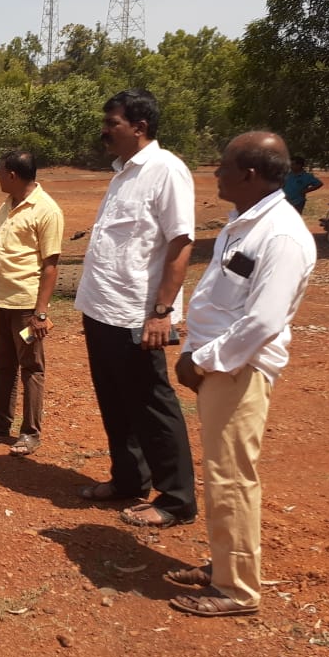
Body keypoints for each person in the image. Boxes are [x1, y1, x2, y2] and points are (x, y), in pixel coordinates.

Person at [167, 132, 315, 617]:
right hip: (220, 366)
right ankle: (225, 566)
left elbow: (263, 322)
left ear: (249, 175)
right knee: (221, 472)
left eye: (224, 166)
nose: (216, 173)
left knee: (231, 477)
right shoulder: (244, 223)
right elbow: (222, 299)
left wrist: (201, 359)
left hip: (239, 368)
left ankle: (237, 590)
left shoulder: (282, 236)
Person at [74, 88, 198, 528]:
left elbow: (181, 243)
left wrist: (162, 312)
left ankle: (177, 499)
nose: (104, 131)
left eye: (113, 123)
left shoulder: (167, 171)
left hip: (135, 314)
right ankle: (129, 480)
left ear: (139, 127)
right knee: (114, 401)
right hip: (100, 307)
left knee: (151, 404)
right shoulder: (123, 173)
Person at [0, 150, 64, 457]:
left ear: (12, 175)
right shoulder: (6, 205)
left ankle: (30, 433)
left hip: (24, 306)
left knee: (31, 367)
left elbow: (51, 266)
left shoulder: (47, 210)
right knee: (3, 363)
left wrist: (40, 313)